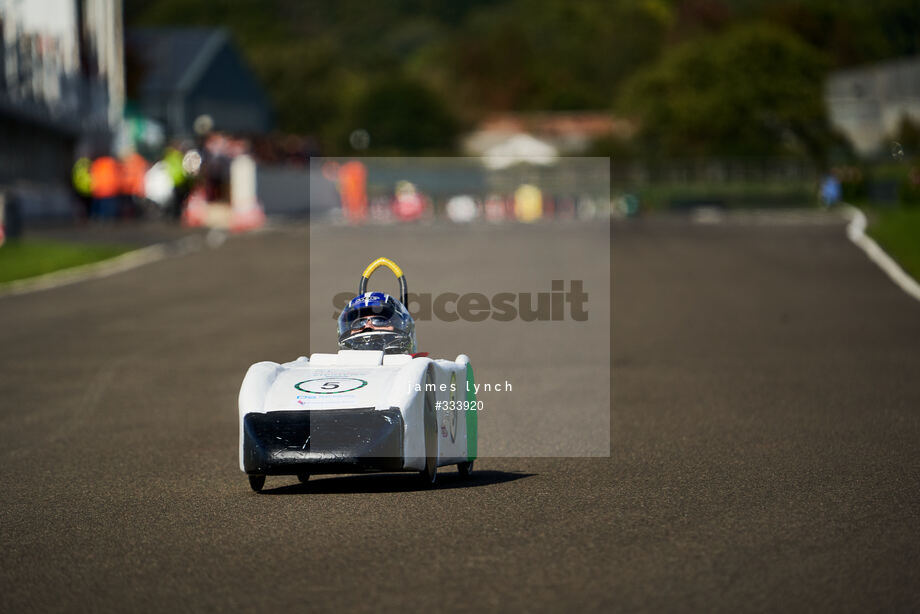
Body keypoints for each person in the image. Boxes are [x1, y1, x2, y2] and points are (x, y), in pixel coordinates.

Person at [337, 292, 417, 354]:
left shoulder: (418, 366)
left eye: (379, 321)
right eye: (360, 323)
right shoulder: (336, 366)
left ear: (397, 325)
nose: (368, 327)